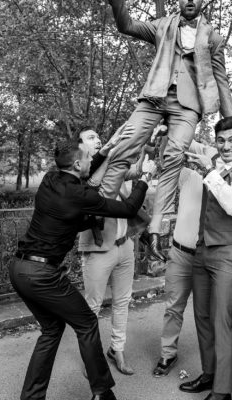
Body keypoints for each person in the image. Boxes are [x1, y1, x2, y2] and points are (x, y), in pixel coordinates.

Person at [9, 136, 154, 400]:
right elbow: (130, 207)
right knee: (87, 322)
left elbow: (73, 206)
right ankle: (102, 393)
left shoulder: (50, 180)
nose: (92, 159)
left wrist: (104, 154)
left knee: (52, 330)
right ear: (77, 164)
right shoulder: (81, 195)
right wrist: (146, 178)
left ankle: (31, 397)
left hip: (19, 269)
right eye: (88, 157)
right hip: (43, 275)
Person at [101, 0, 232, 262]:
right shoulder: (162, 25)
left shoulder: (215, 38)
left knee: (174, 156)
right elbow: (126, 25)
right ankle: (98, 210)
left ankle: (154, 229)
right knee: (126, 144)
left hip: (187, 107)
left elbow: (222, 81)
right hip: (154, 97)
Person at [152, 134, 232, 386]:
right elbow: (169, 155)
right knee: (174, 306)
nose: (222, 151)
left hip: (215, 256)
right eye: (218, 145)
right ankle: (167, 355)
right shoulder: (186, 176)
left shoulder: (228, 183)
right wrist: (167, 132)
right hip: (182, 254)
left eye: (228, 147)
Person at [178, 116, 232, 400]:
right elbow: (187, 141)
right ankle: (210, 374)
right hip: (204, 249)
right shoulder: (215, 159)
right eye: (221, 140)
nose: (225, 146)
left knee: (222, 319)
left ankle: (223, 392)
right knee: (202, 316)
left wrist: (209, 172)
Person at [78, 127, 157, 376]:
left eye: (97, 136)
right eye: (90, 138)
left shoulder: (114, 166)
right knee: (92, 306)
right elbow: (96, 182)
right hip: (99, 249)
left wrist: (149, 145)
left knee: (123, 302)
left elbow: (135, 171)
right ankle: (90, 358)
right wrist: (110, 155)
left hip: (125, 246)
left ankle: (117, 350)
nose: (97, 138)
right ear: (80, 148)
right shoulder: (82, 175)